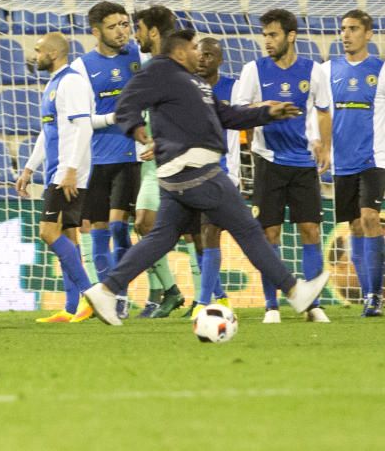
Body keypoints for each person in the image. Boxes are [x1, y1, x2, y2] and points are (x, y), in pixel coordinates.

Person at [82, 29, 330, 326]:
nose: (198, 53)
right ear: (178, 51)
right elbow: (127, 103)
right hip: (195, 168)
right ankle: (294, 290)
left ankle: (105, 290)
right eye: (193, 48)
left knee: (162, 238)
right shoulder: (161, 71)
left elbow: (226, 116)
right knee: (249, 230)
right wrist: (137, 129)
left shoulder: (196, 83)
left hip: (182, 175)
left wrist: (267, 114)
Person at [232, 9, 332, 324]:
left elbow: (324, 109)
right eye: (265, 35)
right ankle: (271, 305)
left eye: (273, 35)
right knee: (269, 233)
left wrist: (324, 146)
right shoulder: (253, 70)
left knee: (311, 230)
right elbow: (238, 110)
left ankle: (312, 304)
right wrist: (267, 107)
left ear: (291, 36)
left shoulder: (313, 71)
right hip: (268, 160)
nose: (267, 41)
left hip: (302, 162)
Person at [68, 1, 147, 319]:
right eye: (114, 26)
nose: (122, 31)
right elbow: (84, 119)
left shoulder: (139, 57)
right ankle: (106, 296)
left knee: (119, 229)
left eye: (125, 24)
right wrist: (117, 116)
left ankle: (120, 295)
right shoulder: (81, 68)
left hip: (132, 156)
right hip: (97, 159)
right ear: (96, 31)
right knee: (98, 229)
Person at [16, 32, 95, 324]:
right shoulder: (54, 83)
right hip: (57, 170)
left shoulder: (72, 81)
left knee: (48, 232)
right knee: (69, 236)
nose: (35, 55)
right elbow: (47, 131)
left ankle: (91, 295)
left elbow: (84, 127)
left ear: (53, 53)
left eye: (38, 51)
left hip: (67, 172)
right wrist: (29, 168)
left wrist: (71, 169)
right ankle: (72, 307)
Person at [320, 9, 385, 317]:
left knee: (371, 218)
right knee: (355, 226)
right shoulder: (327, 70)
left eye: (353, 29)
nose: (345, 34)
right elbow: (317, 112)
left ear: (369, 34)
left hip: (374, 157)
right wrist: (319, 144)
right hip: (342, 161)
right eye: (343, 28)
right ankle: (368, 292)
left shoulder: (381, 69)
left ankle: (374, 295)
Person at [129, 6, 186, 319]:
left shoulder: (175, 66)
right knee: (143, 223)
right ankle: (171, 291)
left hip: (180, 161)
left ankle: (209, 297)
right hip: (152, 164)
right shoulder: (149, 66)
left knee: (195, 235)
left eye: (138, 28)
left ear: (152, 32)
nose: (134, 35)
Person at [190, 37, 238, 315]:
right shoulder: (188, 88)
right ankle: (218, 295)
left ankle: (202, 302)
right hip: (192, 172)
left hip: (223, 172)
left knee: (210, 232)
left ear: (220, 59)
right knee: (196, 236)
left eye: (209, 55)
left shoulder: (233, 87)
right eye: (199, 54)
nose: (202, 59)